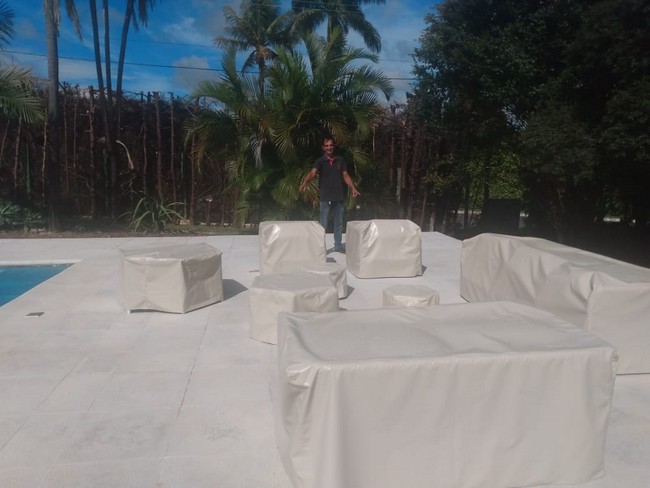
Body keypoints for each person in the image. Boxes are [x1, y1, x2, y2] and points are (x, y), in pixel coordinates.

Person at [299, 137, 360, 253]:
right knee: (323, 224)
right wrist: (305, 182)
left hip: (338, 197)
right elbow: (312, 173)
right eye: (326, 146)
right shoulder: (320, 161)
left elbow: (345, 175)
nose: (329, 148)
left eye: (331, 145)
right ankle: (321, 248)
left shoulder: (340, 160)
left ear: (334, 146)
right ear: (323, 148)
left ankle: (338, 246)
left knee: (339, 224)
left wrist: (353, 187)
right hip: (325, 197)